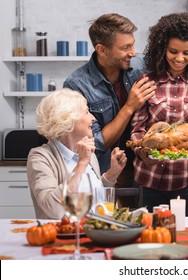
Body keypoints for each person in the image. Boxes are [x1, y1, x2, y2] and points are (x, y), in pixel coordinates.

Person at [63, 13, 156, 207]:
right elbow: (96, 143)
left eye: (132, 44)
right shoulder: (76, 85)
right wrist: (129, 106)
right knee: (110, 226)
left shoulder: (139, 65)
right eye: (125, 48)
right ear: (102, 50)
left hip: (145, 169)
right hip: (107, 173)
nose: (133, 52)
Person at [130, 12, 188, 216]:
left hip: (186, 180)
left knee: (187, 235)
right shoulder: (147, 81)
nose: (180, 58)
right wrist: (142, 152)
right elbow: (137, 128)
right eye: (173, 51)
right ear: (162, 49)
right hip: (150, 178)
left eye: (187, 52)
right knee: (152, 238)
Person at [27, 89, 127, 219]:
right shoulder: (41, 157)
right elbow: (53, 209)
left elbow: (94, 200)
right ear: (67, 120)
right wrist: (82, 163)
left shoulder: (89, 155)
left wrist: (111, 175)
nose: (93, 118)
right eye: (86, 112)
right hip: (65, 236)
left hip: (95, 233)